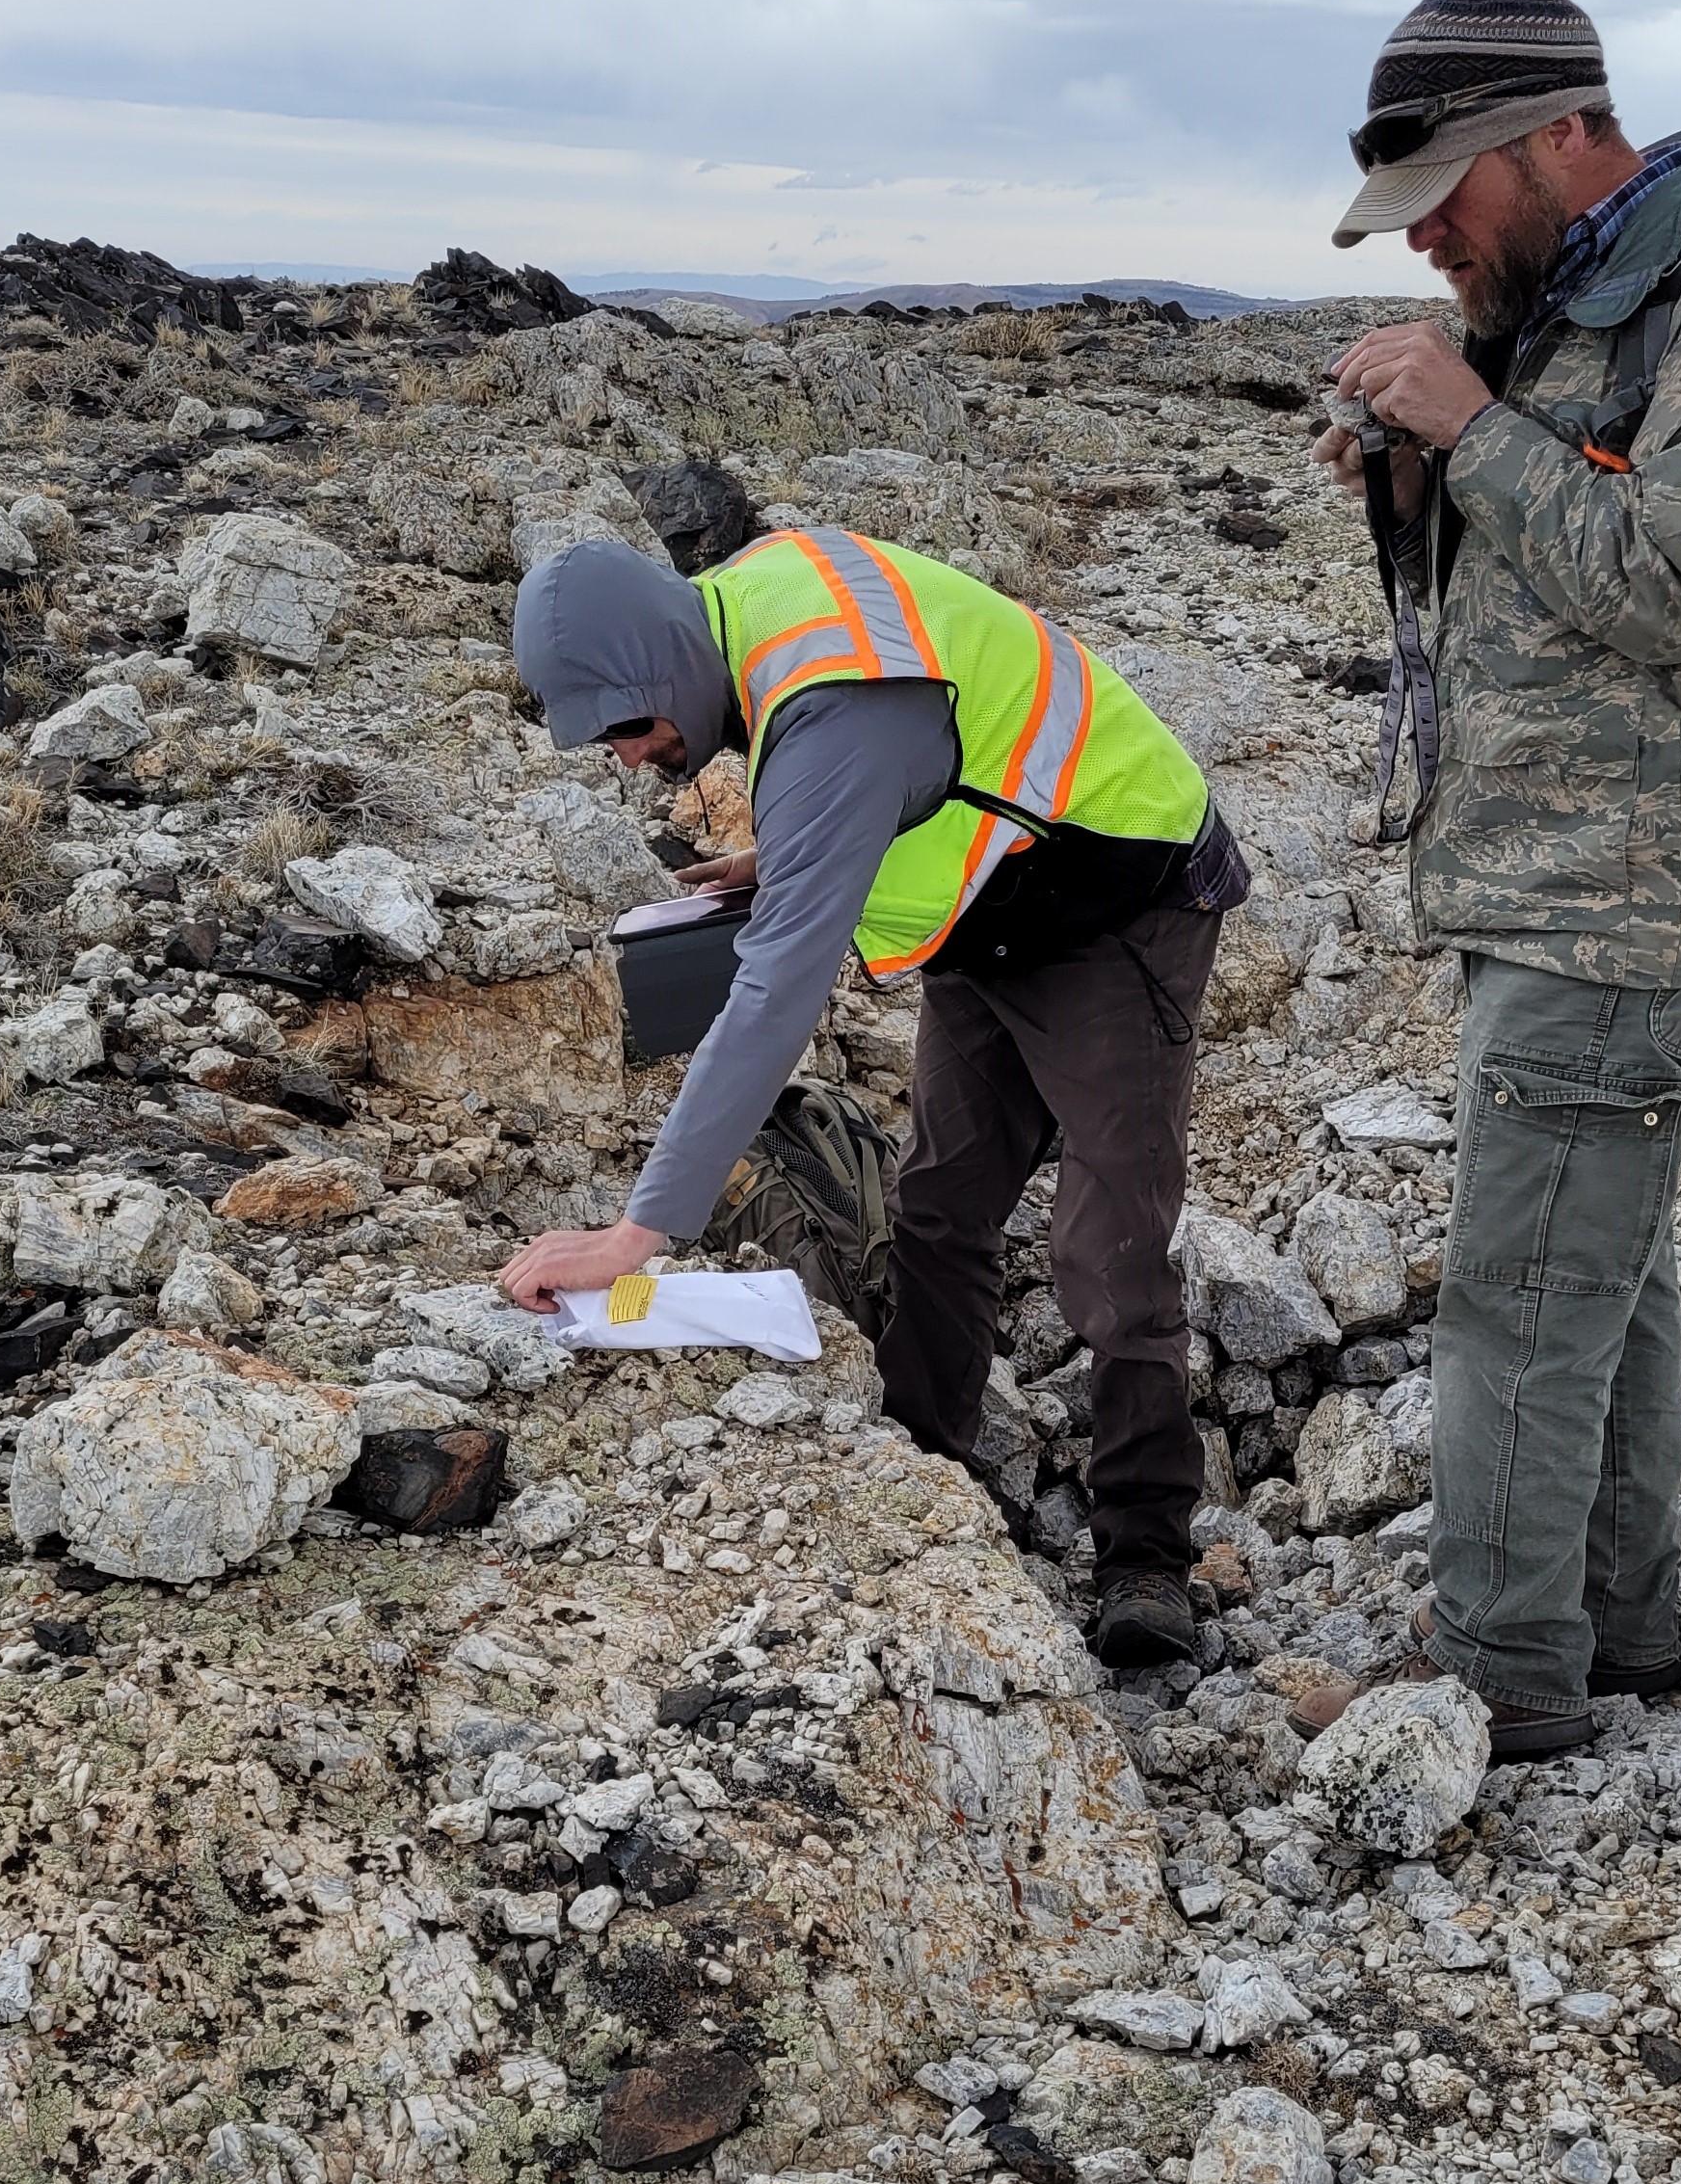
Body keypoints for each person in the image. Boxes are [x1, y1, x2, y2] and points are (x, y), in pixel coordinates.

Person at [1313, 0, 1681, 1758]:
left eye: (1442, 203)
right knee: (1598, 1292)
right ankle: (1618, 1636)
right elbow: (1564, 543)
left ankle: (1498, 1677)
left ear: (1554, 135)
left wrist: (1470, 428)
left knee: (1518, 1310)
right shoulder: (1581, 288)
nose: (1423, 247)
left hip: (1622, 910)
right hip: (1564, 886)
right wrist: (1424, 463)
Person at [493, 528, 1248, 1667]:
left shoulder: (831, 708)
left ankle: (1144, 1550)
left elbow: (773, 995)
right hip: (990, 904)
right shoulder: (743, 611)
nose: (629, 759)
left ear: (661, 671)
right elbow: (896, 772)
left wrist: (636, 1234)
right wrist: (790, 852)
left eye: (626, 731)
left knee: (1111, 1241)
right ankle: (926, 1460)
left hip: (1115, 890)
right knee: (941, 1202)